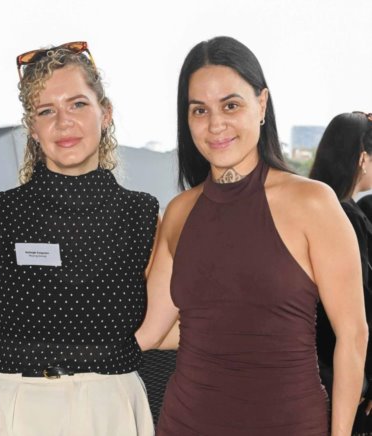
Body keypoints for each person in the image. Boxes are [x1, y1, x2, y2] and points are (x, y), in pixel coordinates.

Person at [135, 36, 368, 435]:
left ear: (261, 104)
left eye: (231, 105)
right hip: (185, 423)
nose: (215, 125)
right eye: (199, 110)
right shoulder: (179, 213)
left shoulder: (312, 203)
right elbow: (150, 332)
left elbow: (353, 334)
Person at [0, 41, 158, 436]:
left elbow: (175, 324)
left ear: (105, 113)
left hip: (115, 411)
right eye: (46, 111)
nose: (63, 122)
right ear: (32, 128)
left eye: (78, 104)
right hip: (15, 412)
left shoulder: (144, 216)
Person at [309, 111, 372, 434]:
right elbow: (362, 308)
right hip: (343, 375)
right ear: (362, 158)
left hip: (313, 367)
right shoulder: (347, 215)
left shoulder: (314, 208)